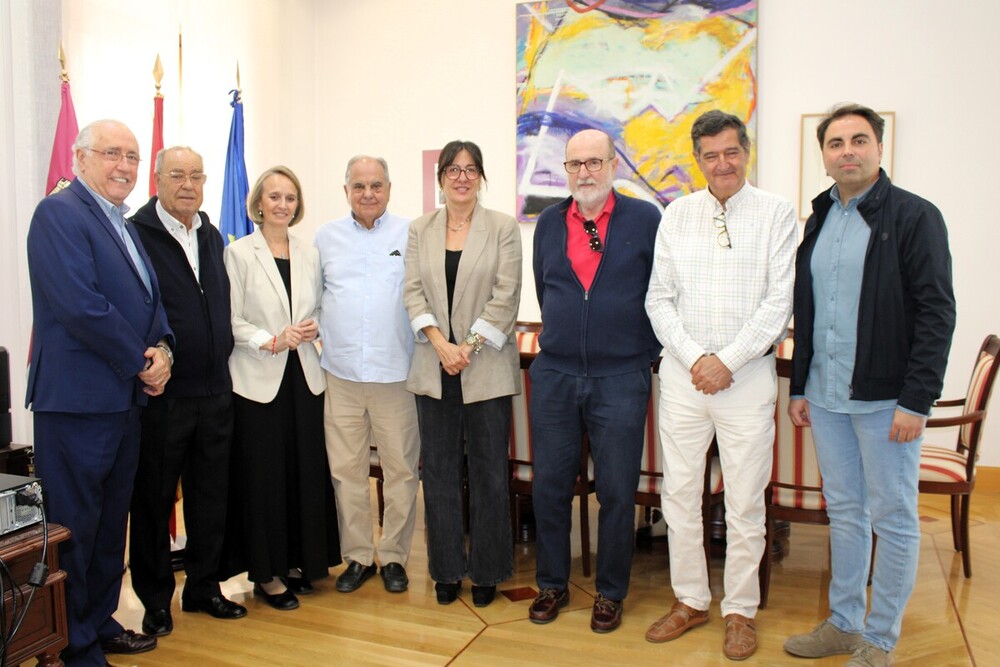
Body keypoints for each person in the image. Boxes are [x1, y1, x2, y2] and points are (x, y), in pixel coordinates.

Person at [783, 104, 956, 667]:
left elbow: (937, 313)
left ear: (879, 149)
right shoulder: (820, 219)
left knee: (895, 519)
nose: (847, 151)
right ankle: (843, 623)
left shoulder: (913, 216)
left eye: (859, 140)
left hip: (887, 401)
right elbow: (806, 311)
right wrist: (801, 387)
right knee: (846, 512)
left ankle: (880, 639)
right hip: (828, 397)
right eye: (836, 143)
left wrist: (917, 399)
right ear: (825, 155)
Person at [643, 110, 796, 660]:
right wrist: (694, 358)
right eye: (711, 155)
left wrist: (726, 360)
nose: (722, 163)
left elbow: (779, 305)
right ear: (698, 159)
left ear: (745, 151)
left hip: (748, 379)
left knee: (745, 500)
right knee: (679, 496)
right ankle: (689, 601)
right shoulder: (677, 214)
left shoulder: (777, 214)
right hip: (685, 380)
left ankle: (739, 611)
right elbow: (658, 299)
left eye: (731, 151)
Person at [26, 119, 171, 665]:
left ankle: (99, 618)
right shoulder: (58, 214)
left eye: (133, 157)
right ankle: (75, 644)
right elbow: (81, 306)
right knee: (78, 527)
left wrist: (164, 351)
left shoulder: (123, 224)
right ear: (80, 157)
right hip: (78, 405)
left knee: (112, 527)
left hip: (124, 402)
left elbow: (150, 304)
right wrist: (142, 362)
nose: (126, 167)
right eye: (113, 154)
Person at [528, 128, 660, 633]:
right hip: (557, 375)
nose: (584, 172)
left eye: (594, 163)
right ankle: (552, 584)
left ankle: (610, 593)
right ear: (566, 169)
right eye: (575, 164)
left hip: (621, 378)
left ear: (613, 165)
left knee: (618, 491)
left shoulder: (645, 219)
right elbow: (547, 289)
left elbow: (660, 289)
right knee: (550, 488)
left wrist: (638, 353)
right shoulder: (547, 222)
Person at [129, 146, 246, 638]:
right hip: (165, 396)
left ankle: (204, 586)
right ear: (156, 179)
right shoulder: (136, 235)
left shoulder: (211, 233)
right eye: (177, 175)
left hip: (216, 390)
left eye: (197, 176)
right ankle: (156, 600)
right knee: (155, 500)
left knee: (210, 496)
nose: (188, 185)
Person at [404, 140, 522, 608]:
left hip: (485, 367)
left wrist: (465, 349)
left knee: (490, 473)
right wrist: (441, 345)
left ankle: (489, 570)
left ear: (481, 177)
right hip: (434, 369)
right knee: (439, 473)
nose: (462, 177)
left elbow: (506, 295)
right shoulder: (420, 229)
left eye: (471, 169)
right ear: (440, 178)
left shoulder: (503, 228)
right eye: (453, 169)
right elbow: (413, 291)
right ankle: (447, 570)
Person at [220, 165, 340, 610]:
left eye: (290, 197)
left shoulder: (309, 253)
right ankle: (267, 575)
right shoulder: (239, 254)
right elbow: (230, 320)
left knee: (302, 471)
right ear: (258, 203)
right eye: (274, 197)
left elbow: (325, 304)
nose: (282, 205)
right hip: (258, 380)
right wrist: (268, 340)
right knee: (265, 478)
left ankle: (298, 563)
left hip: (305, 377)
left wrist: (314, 326)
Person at [316, 156, 420, 594]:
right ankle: (358, 557)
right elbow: (313, 298)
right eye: (359, 186)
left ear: (390, 189)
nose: (368, 193)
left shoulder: (410, 235)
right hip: (339, 375)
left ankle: (394, 556)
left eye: (376, 185)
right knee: (347, 473)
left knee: (401, 473)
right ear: (346, 191)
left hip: (396, 374)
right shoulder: (326, 238)